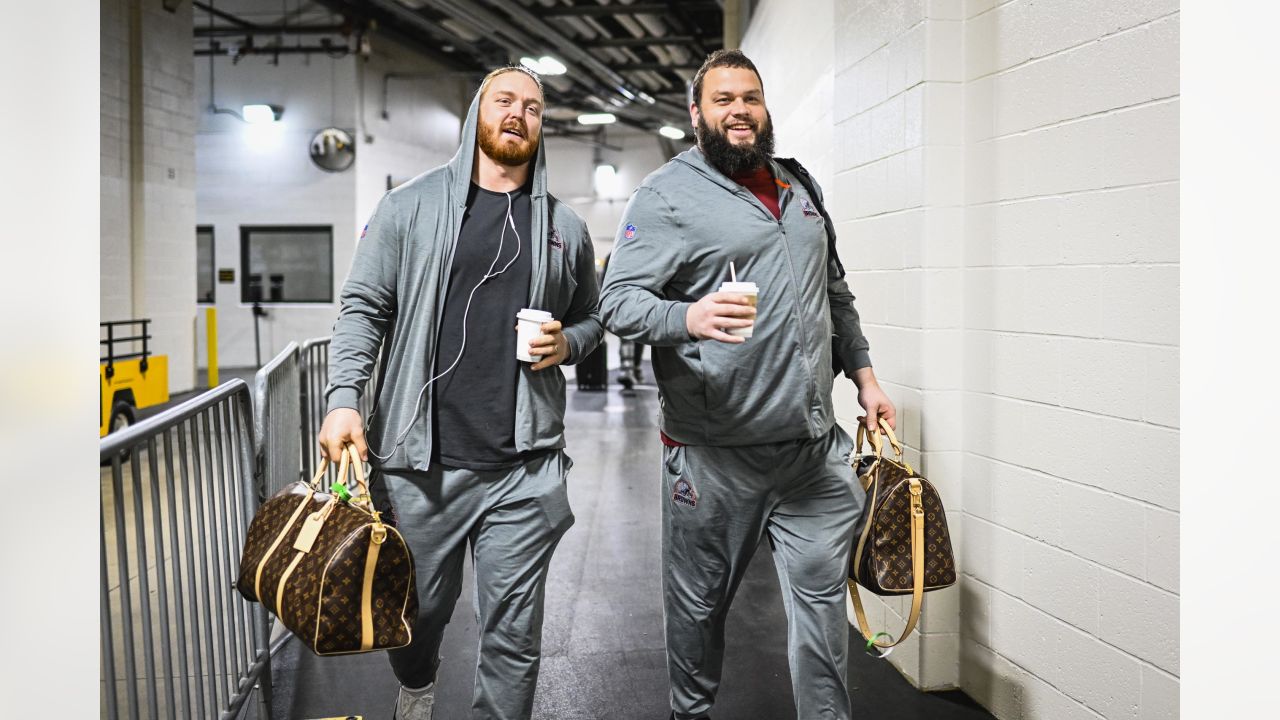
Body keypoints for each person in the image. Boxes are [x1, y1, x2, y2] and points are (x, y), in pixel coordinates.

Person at [599, 49, 897, 720]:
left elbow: (833, 293)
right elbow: (615, 302)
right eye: (724, 99)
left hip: (811, 454)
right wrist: (688, 317)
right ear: (696, 113)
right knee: (699, 613)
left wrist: (866, 377)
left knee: (822, 619)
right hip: (715, 458)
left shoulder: (799, 186)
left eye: (751, 97)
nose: (740, 110)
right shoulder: (666, 194)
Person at [317, 66, 603, 720]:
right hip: (421, 468)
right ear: (478, 111)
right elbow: (363, 309)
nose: (518, 114)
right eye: (504, 100)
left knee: (513, 635)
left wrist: (570, 343)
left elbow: (592, 314)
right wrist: (343, 398)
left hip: (523, 468)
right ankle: (417, 683)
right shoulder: (406, 208)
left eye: (533, 107)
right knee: (418, 614)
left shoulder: (564, 227)